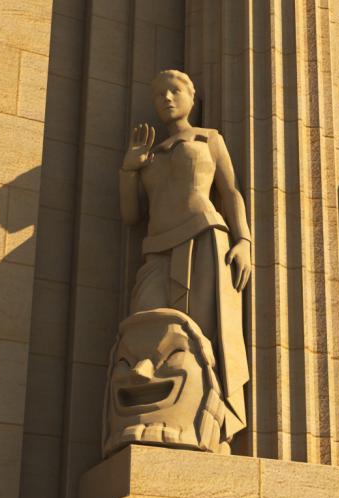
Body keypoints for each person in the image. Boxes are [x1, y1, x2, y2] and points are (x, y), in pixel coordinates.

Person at [117, 69, 251, 441]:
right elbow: (131, 216)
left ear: (193, 98)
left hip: (204, 237)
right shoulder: (148, 155)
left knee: (198, 337)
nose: (166, 99)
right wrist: (129, 171)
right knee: (148, 329)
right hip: (157, 250)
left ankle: (202, 424)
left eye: (174, 91)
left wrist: (244, 241)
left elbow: (232, 192)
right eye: (159, 94)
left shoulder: (210, 139)